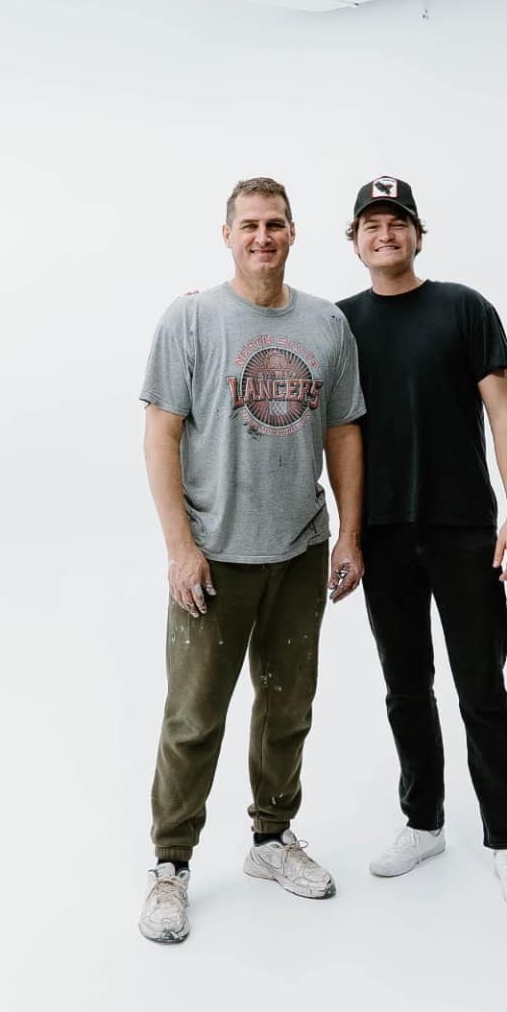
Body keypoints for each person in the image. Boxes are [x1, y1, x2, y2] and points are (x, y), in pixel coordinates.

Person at [136, 178, 364, 946]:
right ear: (227, 234)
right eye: (249, 226)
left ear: (294, 233)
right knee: (195, 717)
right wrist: (179, 548)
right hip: (215, 557)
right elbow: (161, 433)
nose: (262, 237)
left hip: (298, 550)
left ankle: (271, 840)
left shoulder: (326, 323)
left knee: (287, 708)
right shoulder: (193, 318)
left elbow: (343, 434)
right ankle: (170, 866)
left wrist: (350, 533)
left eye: (275, 225)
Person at [334, 174, 507, 910]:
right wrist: (348, 535)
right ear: (354, 241)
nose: (384, 233)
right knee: (405, 686)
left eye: (397, 222)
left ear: (418, 235)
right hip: (383, 533)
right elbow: (336, 431)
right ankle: (423, 822)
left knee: (481, 688)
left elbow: (504, 413)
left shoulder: (464, 307)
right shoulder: (340, 323)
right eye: (370, 224)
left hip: (462, 528)